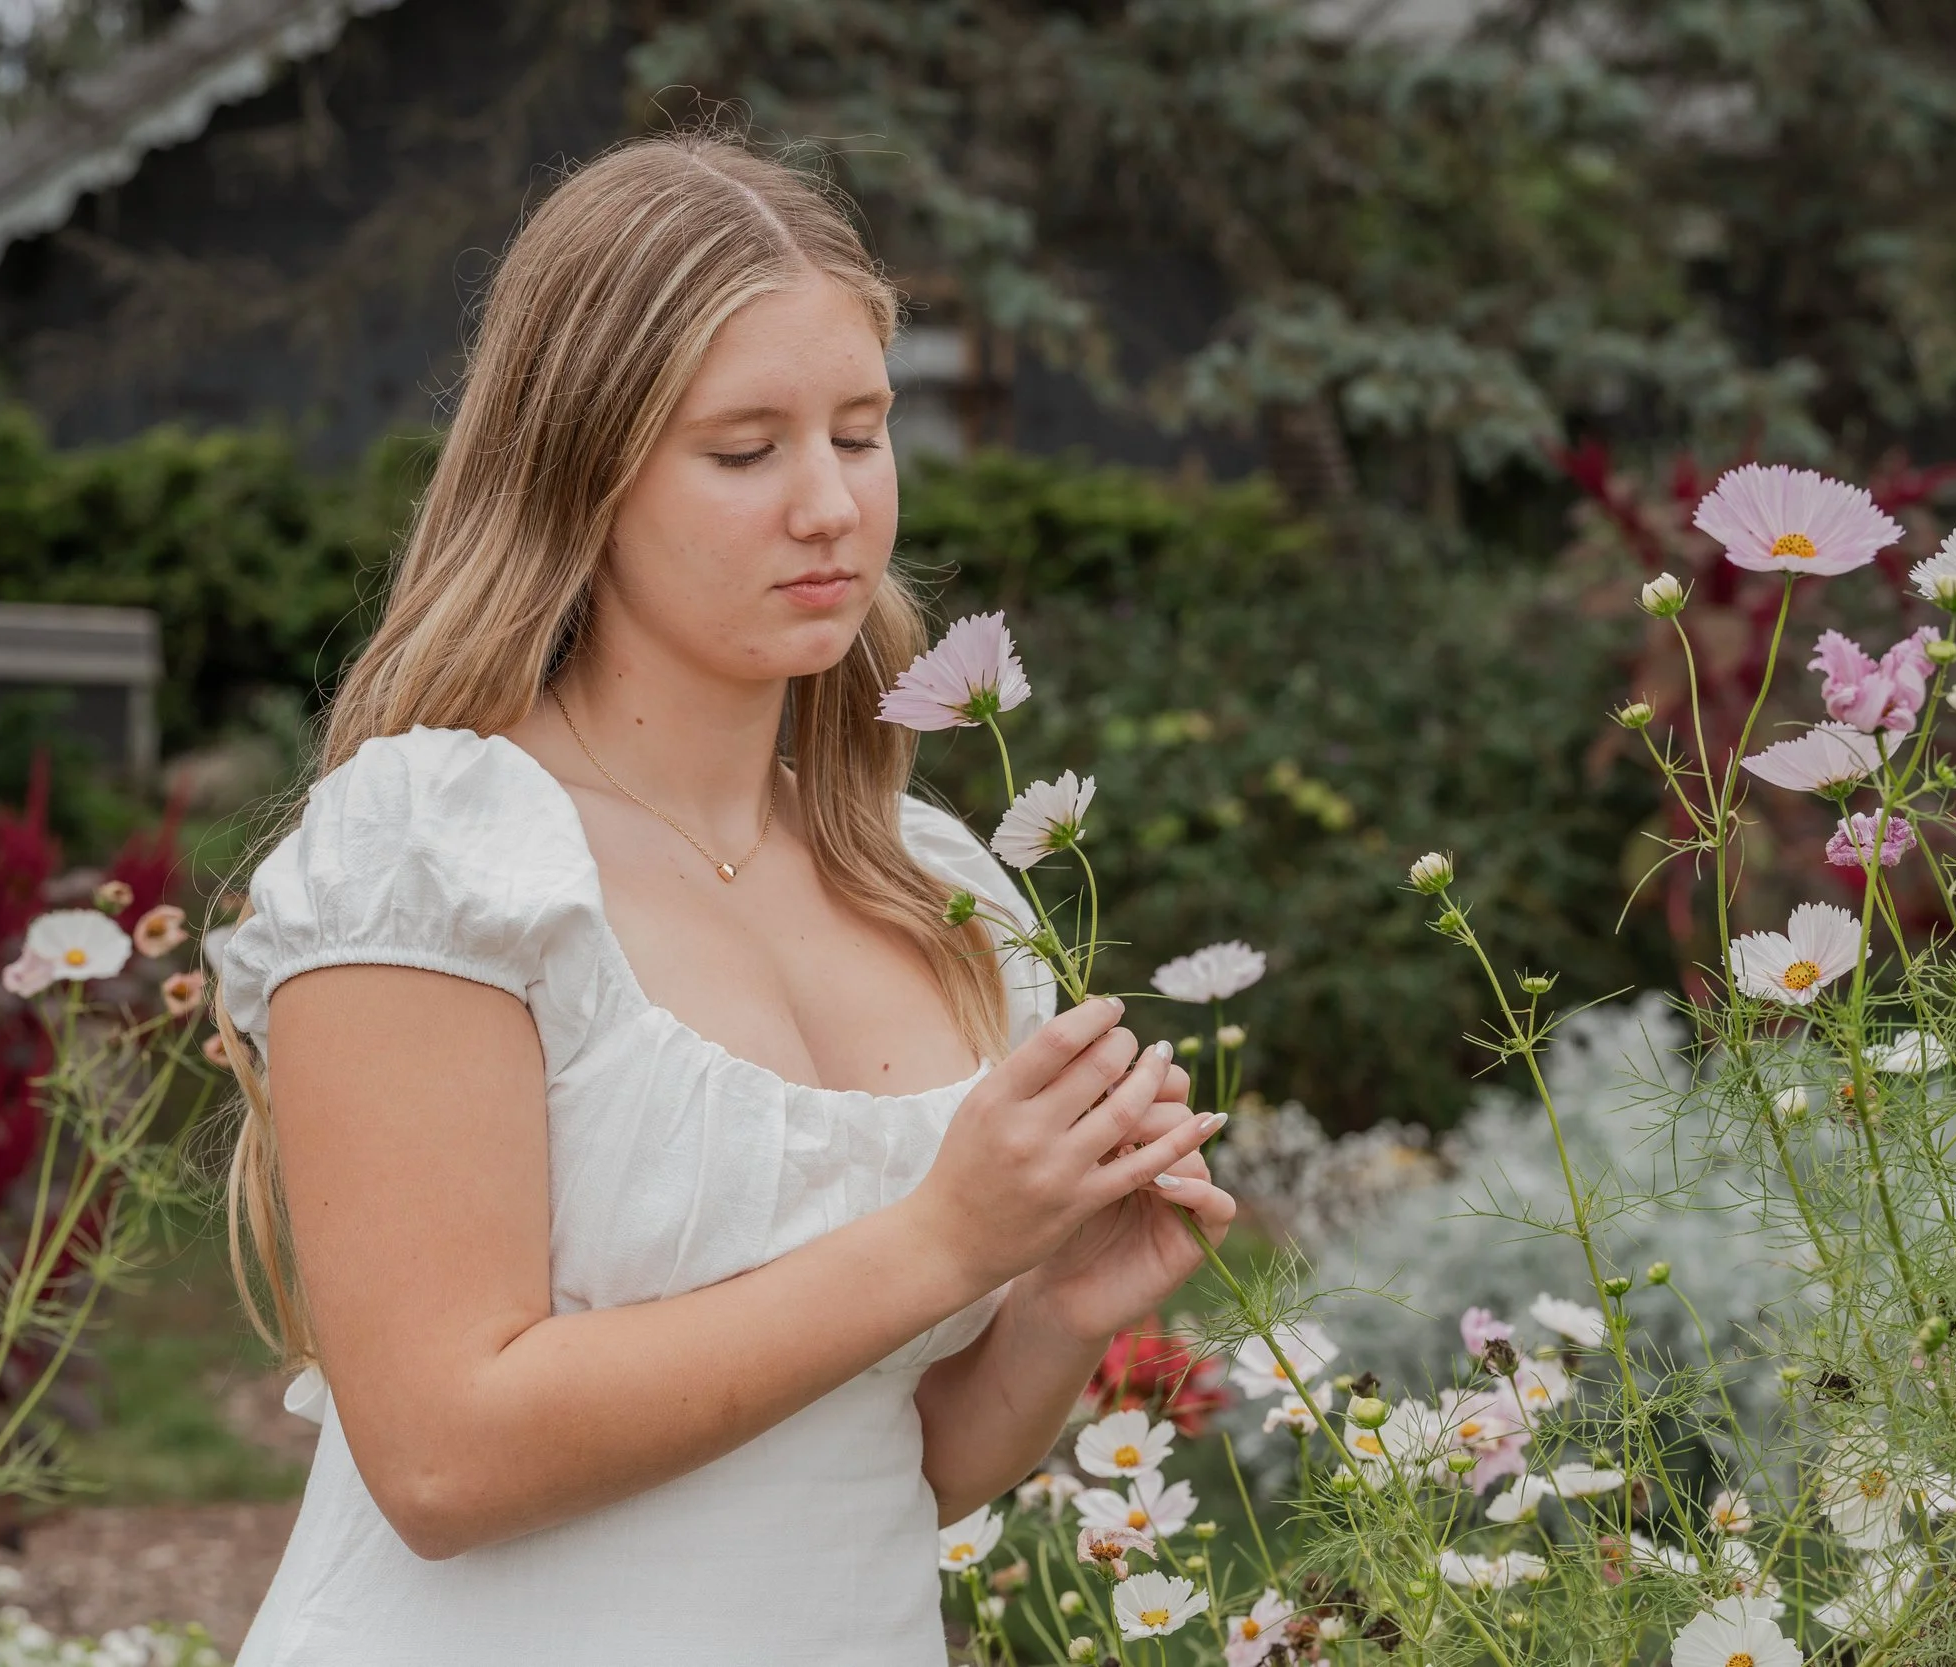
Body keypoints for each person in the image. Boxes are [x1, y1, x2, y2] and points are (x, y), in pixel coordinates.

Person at [213, 132, 1238, 1665]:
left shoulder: (936, 884)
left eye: (863, 432)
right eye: (746, 450)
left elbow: (900, 1461)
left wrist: (1054, 1308)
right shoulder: (436, 852)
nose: (829, 504)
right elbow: (442, 1456)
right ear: (582, 475)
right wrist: (949, 1240)